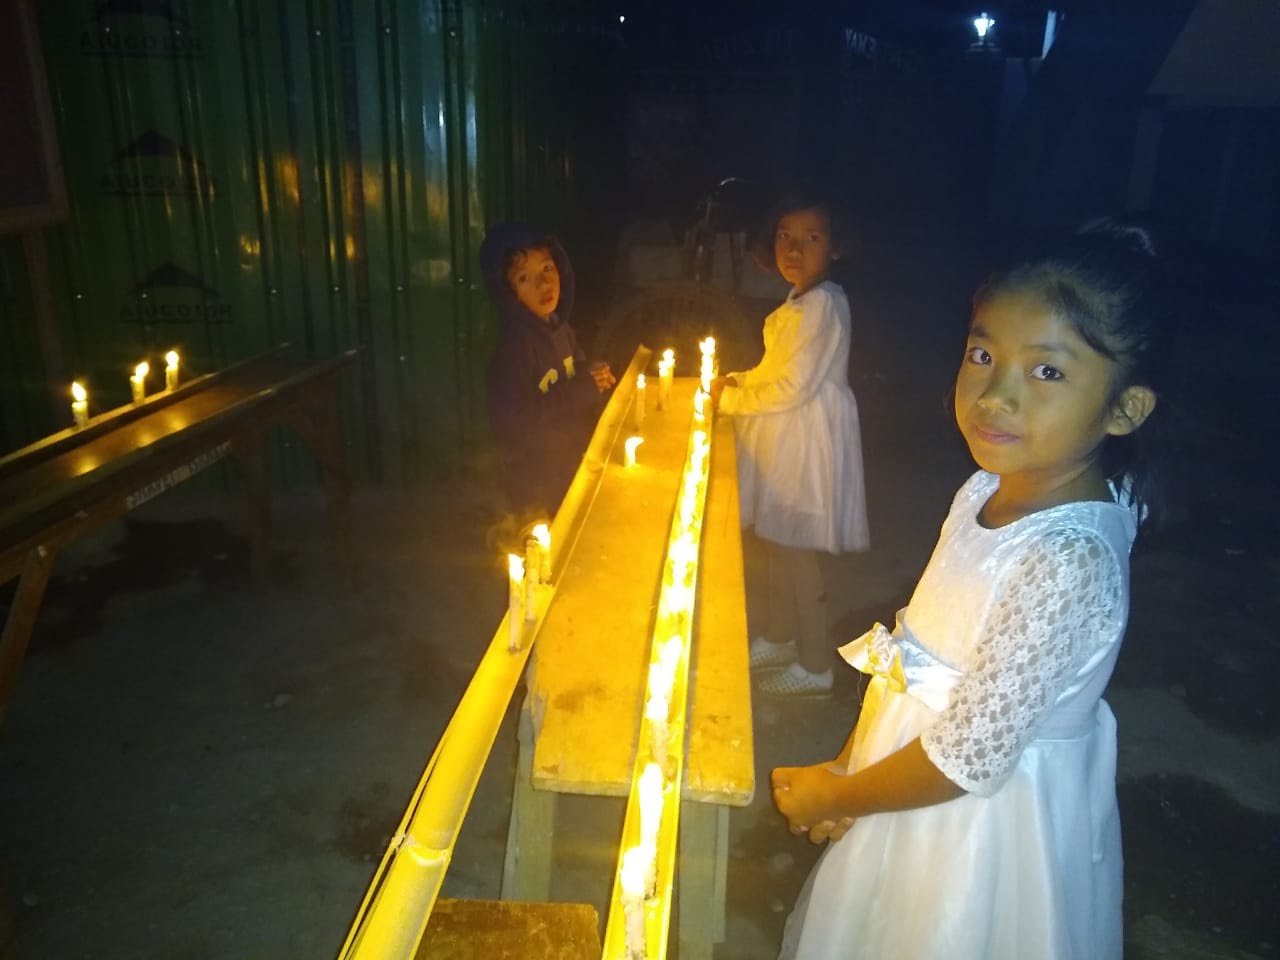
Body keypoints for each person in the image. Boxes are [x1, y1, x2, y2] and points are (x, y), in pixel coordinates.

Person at [770, 218, 1180, 959]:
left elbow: (969, 757)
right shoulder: (985, 488)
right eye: (983, 355)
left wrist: (840, 795)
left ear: (1125, 408)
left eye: (1047, 373)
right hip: (906, 782)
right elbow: (915, 645)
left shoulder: (1068, 560)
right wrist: (851, 763)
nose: (995, 395)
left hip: (982, 834)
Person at [710, 189, 870, 698]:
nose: (794, 249)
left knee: (797, 549)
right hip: (785, 436)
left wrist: (731, 402)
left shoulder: (823, 304)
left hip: (803, 443)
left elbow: (794, 386)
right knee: (776, 541)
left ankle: (815, 663)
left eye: (811, 238)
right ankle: (780, 636)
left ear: (836, 246)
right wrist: (739, 380)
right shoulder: (800, 299)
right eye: (785, 237)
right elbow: (776, 368)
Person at [481, 223, 615, 525]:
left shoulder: (559, 326)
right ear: (508, 294)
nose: (543, 283)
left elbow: (574, 368)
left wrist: (591, 373)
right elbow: (516, 420)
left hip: (564, 463)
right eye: (524, 278)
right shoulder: (513, 348)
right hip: (534, 479)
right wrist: (580, 390)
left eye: (547, 268)